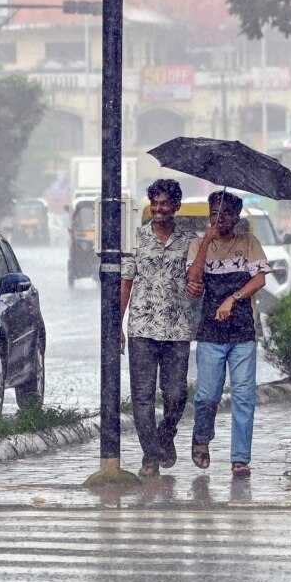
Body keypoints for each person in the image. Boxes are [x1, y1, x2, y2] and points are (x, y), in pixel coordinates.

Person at [186, 191, 269, 478]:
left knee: (244, 396)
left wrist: (233, 298)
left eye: (227, 214)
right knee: (207, 395)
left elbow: (259, 278)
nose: (220, 218)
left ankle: (240, 458)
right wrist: (206, 241)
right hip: (210, 333)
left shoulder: (248, 243)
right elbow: (193, 280)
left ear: (237, 217)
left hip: (243, 333)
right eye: (215, 213)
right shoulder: (199, 243)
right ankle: (201, 438)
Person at [119, 179, 196, 479]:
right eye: (155, 203)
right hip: (141, 328)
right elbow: (126, 282)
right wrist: (118, 324)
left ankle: (166, 435)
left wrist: (196, 281)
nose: (160, 209)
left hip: (177, 329)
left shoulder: (190, 241)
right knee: (142, 396)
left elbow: (195, 281)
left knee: (177, 394)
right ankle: (150, 455)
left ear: (176, 206)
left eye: (165, 203)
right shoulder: (136, 239)